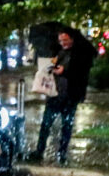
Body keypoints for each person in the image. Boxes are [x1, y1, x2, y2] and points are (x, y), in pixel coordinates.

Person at [30, 30, 95, 164]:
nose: (62, 43)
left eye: (65, 40)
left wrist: (65, 71)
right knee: (46, 124)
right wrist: (50, 67)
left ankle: (62, 153)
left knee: (66, 126)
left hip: (70, 96)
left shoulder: (80, 54)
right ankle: (39, 151)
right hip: (55, 95)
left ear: (72, 39)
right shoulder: (59, 52)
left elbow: (81, 73)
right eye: (60, 40)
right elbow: (53, 66)